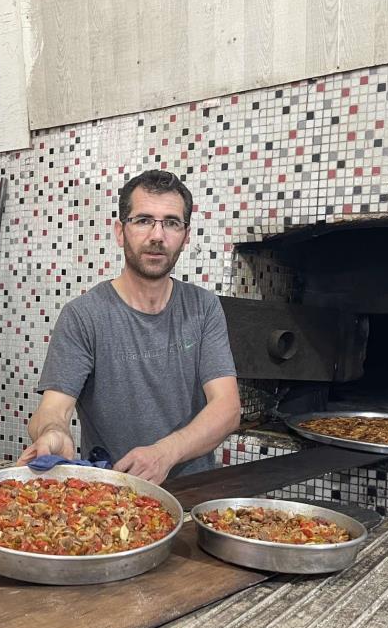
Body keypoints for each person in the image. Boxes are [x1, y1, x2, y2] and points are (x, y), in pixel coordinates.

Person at [16, 169, 241, 484]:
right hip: (112, 494)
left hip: (193, 491)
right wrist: (53, 433)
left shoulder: (203, 308)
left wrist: (165, 453)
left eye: (171, 223)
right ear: (120, 232)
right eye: (143, 220)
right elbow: (53, 408)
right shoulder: (84, 315)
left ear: (185, 237)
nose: (157, 236)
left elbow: (228, 408)